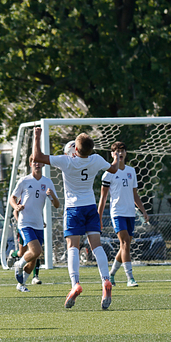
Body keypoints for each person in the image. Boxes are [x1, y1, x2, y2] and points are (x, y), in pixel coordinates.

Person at [33, 127, 121, 309]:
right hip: (90, 207)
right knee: (96, 246)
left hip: (73, 209)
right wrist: (116, 157)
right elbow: (113, 169)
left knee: (72, 246)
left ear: (76, 149)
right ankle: (105, 280)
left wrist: (37, 136)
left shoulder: (66, 161)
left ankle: (75, 284)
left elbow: (37, 157)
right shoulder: (96, 159)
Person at [97, 141, 149, 287]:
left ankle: (112, 274)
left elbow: (135, 194)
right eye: (116, 151)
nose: (119, 153)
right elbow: (103, 198)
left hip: (130, 213)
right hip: (117, 213)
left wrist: (143, 211)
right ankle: (130, 278)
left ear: (125, 153)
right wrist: (98, 218)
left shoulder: (131, 171)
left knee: (125, 246)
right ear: (112, 154)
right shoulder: (108, 173)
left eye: (122, 151)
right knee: (125, 242)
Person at [9, 155, 60, 292]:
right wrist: (16, 206)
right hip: (25, 222)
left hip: (38, 224)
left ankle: (21, 284)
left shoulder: (47, 182)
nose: (37, 164)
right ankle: (19, 264)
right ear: (30, 164)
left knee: (34, 258)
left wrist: (52, 195)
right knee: (36, 251)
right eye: (34, 161)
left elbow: (56, 205)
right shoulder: (24, 180)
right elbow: (12, 198)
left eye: (39, 162)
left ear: (43, 164)